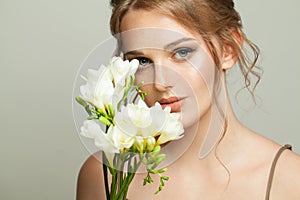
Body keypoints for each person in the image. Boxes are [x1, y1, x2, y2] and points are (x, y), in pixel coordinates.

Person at [76, 0, 300, 199]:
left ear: (228, 50)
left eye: (182, 52)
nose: (160, 83)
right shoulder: (104, 176)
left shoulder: (290, 180)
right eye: (142, 61)